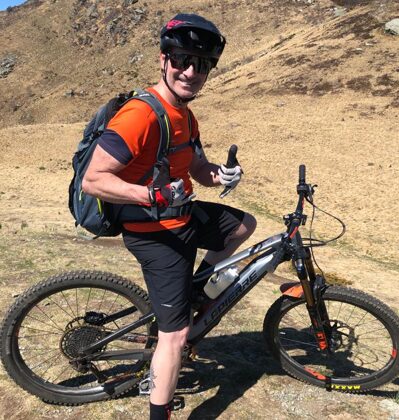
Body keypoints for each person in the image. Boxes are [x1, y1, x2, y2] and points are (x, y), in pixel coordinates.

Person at [82, 13, 256, 420]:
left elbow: (198, 170)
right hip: (154, 233)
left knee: (243, 225)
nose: (191, 72)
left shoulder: (185, 116)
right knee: (175, 335)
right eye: (182, 60)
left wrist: (222, 175)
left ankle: (196, 293)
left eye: (202, 65)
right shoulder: (140, 115)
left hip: (183, 216)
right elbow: (94, 179)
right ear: (164, 60)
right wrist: (151, 194)